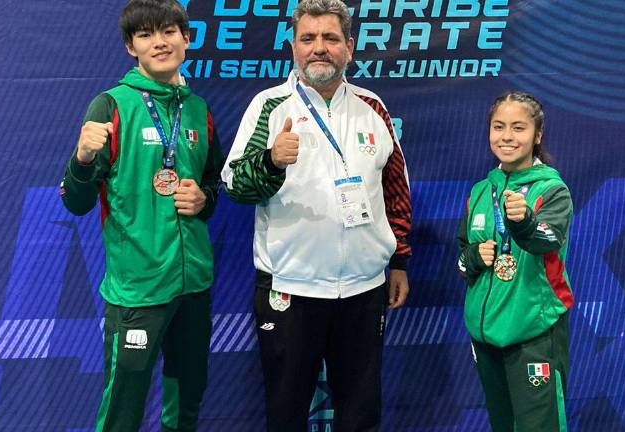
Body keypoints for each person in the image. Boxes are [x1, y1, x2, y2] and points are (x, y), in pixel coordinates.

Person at [220, 0, 412, 430]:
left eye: (330, 38)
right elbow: (235, 186)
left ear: (349, 47)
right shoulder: (270, 105)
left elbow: (395, 190)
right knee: (286, 415)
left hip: (365, 288)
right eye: (308, 38)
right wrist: (270, 161)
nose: (319, 48)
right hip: (291, 289)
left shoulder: (373, 107)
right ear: (293, 47)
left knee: (360, 416)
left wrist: (399, 259)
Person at [59, 1, 223, 430]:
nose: (159, 42)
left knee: (186, 405)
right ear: (131, 47)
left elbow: (213, 183)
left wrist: (203, 199)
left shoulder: (198, 110)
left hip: (194, 285)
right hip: (137, 291)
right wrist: (82, 159)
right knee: (123, 412)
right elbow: (76, 202)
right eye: (146, 34)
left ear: (186, 38)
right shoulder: (111, 106)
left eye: (168, 31)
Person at [457, 92, 574, 431]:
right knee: (503, 425)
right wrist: (474, 257)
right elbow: (462, 258)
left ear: (537, 136)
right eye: (499, 127)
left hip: (533, 331)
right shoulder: (481, 191)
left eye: (518, 127)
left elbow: (547, 240)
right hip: (485, 335)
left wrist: (523, 222)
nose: (507, 136)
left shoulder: (551, 190)